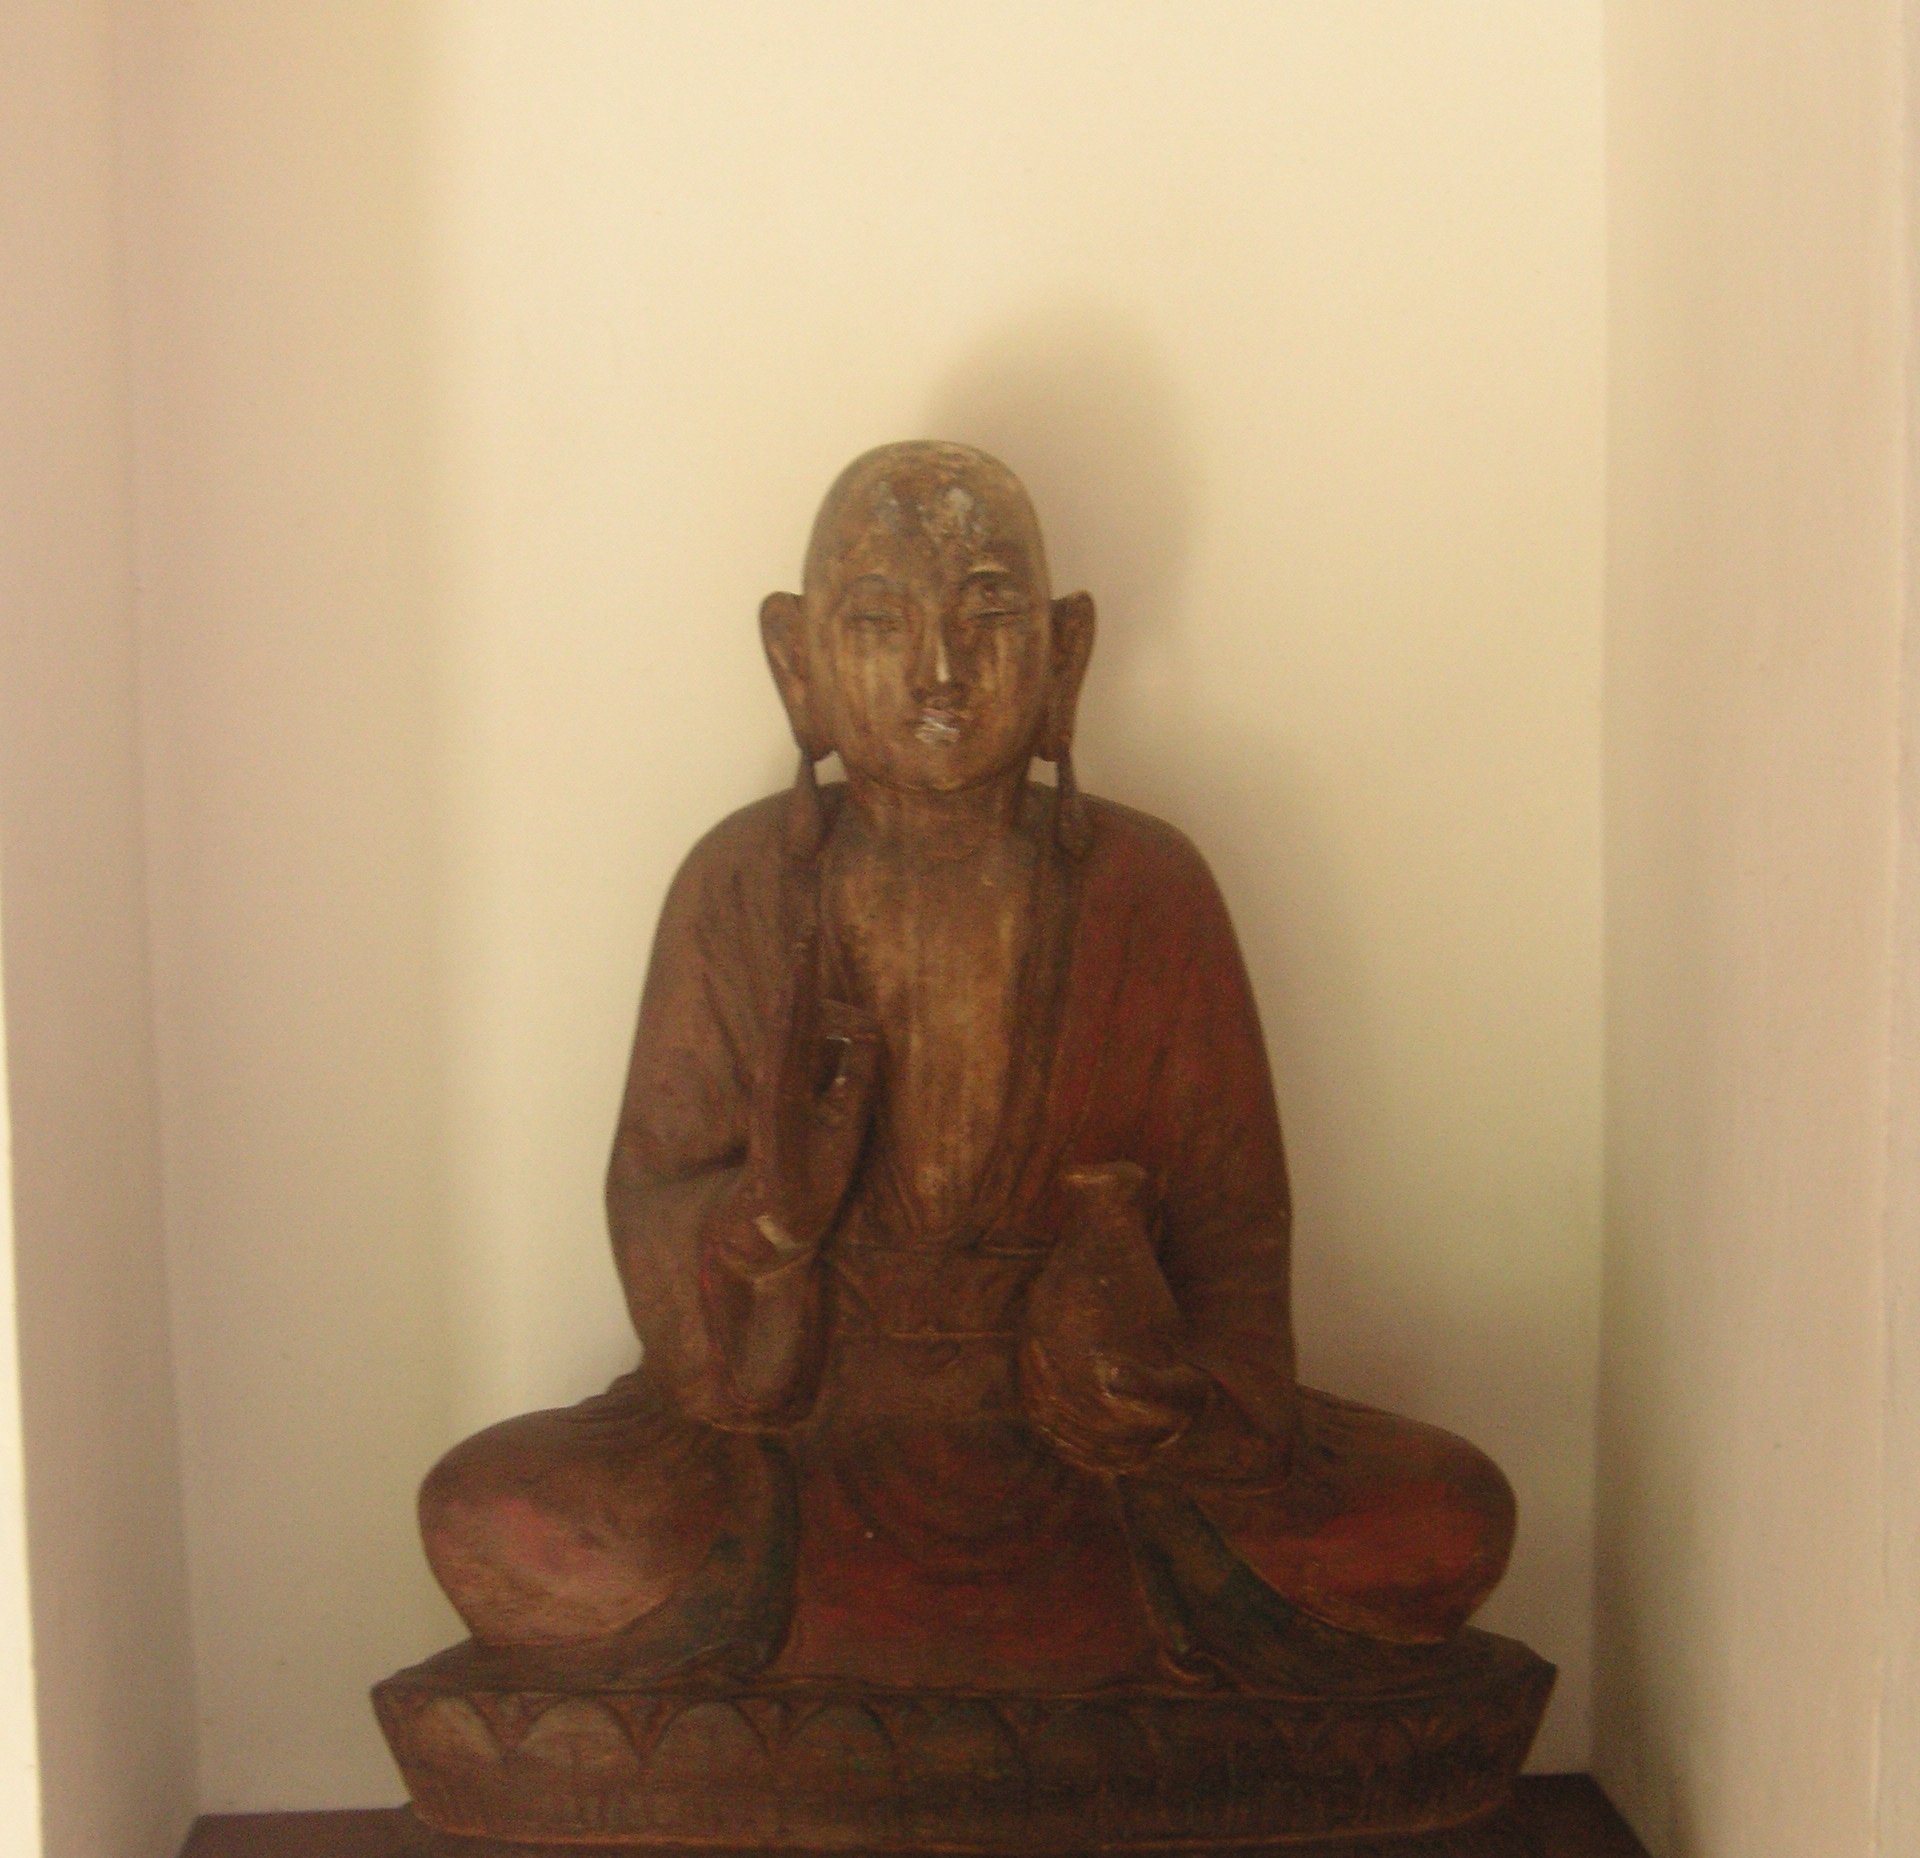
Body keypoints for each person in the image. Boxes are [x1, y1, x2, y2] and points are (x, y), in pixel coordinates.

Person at [420, 442, 1514, 1693]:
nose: (939, 669)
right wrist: (764, 1223)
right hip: (792, 1442)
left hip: (1101, 1462)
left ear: (1065, 651)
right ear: (796, 661)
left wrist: (1161, 1389)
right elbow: (660, 1221)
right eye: (879, 622)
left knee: (1450, 1517)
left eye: (989, 616)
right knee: (489, 1514)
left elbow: (1236, 1256)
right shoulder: (738, 887)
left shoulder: (1151, 891)